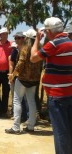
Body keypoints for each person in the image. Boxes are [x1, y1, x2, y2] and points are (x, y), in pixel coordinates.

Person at [30, 17, 72, 154]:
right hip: (69, 92)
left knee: (60, 131)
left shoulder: (54, 44)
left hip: (57, 94)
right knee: (68, 129)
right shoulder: (70, 42)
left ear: (49, 31)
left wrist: (37, 40)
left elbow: (33, 58)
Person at [5, 29, 43, 134]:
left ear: (27, 38)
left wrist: (13, 75)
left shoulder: (25, 49)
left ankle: (16, 127)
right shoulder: (39, 49)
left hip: (22, 79)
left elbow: (20, 64)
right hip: (34, 80)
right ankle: (31, 126)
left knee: (17, 101)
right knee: (31, 101)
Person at [0, 27, 12, 117]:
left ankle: (4, 110)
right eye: (3, 34)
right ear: (0, 35)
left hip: (6, 72)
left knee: (6, 92)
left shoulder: (11, 44)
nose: (5, 35)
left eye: (6, 34)